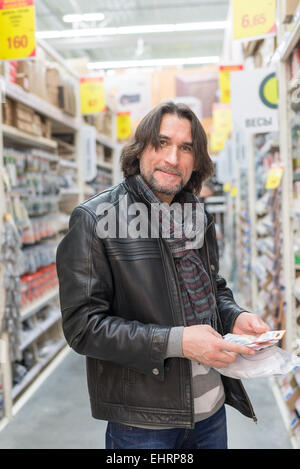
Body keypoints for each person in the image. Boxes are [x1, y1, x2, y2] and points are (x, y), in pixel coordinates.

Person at [56, 101, 269, 450]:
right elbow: (82, 327)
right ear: (140, 150)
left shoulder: (196, 214)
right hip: (143, 423)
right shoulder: (95, 220)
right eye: (162, 143)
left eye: (186, 148)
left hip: (212, 410)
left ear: (196, 160)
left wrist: (235, 316)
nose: (173, 158)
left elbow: (213, 289)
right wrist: (178, 342)